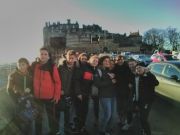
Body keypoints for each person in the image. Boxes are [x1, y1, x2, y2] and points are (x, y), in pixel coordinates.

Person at [31, 47, 61, 135]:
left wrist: (56, 96)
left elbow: (57, 82)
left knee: (51, 117)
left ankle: (54, 132)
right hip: (37, 97)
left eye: (45, 54)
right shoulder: (34, 65)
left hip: (49, 97)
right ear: (38, 55)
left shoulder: (52, 66)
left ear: (48, 56)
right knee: (38, 117)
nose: (43, 56)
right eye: (41, 54)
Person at [7, 58, 34, 135]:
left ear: (27, 65)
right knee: (21, 122)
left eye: (23, 65)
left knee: (29, 120)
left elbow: (32, 85)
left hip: (28, 101)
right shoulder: (12, 75)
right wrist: (16, 101)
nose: (21, 67)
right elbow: (9, 90)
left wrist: (30, 89)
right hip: (19, 101)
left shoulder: (29, 74)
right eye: (19, 65)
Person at [133, 65, 159, 135]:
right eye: (136, 68)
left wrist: (148, 73)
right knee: (140, 117)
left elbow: (156, 83)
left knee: (143, 119)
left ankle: (147, 132)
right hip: (138, 100)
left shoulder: (149, 76)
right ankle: (143, 130)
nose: (138, 69)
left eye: (140, 67)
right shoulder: (136, 76)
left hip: (147, 101)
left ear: (144, 68)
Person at [56, 50, 77, 135]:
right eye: (69, 58)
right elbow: (56, 79)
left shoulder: (76, 67)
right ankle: (59, 131)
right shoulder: (60, 67)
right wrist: (59, 89)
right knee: (59, 113)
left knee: (68, 114)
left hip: (70, 94)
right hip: (61, 93)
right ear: (66, 57)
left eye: (73, 58)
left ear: (75, 58)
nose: (71, 59)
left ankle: (66, 130)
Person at [94, 56, 116, 135]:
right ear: (102, 62)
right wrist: (111, 81)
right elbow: (97, 84)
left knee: (112, 115)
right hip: (104, 96)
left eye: (108, 61)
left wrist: (113, 78)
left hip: (112, 95)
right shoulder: (98, 70)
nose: (107, 62)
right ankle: (102, 130)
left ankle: (108, 128)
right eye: (105, 61)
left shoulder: (109, 70)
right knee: (108, 114)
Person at [113, 55, 132, 129]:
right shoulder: (115, 68)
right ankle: (120, 119)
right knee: (119, 106)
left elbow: (131, 77)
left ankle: (125, 120)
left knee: (125, 106)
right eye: (118, 60)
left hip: (126, 90)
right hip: (118, 90)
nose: (120, 61)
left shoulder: (127, 67)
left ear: (123, 60)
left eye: (121, 59)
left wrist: (130, 83)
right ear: (116, 61)